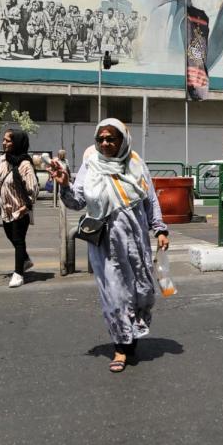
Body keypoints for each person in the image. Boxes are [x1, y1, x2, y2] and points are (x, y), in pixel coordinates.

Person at [48, 119, 169, 373]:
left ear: (122, 140)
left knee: (142, 291)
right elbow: (77, 201)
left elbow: (150, 199)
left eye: (110, 139)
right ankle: (120, 347)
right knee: (114, 297)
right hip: (105, 242)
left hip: (136, 239)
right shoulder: (90, 164)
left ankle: (132, 333)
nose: (105, 143)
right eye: (101, 138)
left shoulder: (136, 162)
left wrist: (160, 228)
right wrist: (64, 185)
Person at [0, 129, 37, 288]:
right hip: (6, 209)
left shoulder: (25, 164)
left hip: (19, 209)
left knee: (18, 239)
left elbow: (32, 188)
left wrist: (25, 207)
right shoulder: (4, 160)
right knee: (11, 237)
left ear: (17, 142)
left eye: (8, 140)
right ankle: (25, 260)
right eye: (4, 140)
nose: (4, 143)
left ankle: (18, 274)